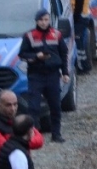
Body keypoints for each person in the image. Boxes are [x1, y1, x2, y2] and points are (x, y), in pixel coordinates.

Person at [19, 9, 70, 143]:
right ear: (36, 21)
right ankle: (34, 135)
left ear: (49, 20)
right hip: (36, 75)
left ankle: (56, 134)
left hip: (53, 75)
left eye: (46, 20)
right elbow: (22, 54)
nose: (43, 22)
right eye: (41, 20)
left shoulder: (57, 35)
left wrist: (65, 72)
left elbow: (64, 54)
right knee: (33, 107)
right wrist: (36, 56)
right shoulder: (29, 35)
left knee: (55, 106)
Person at [69, 0, 92, 74]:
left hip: (80, 19)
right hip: (82, 18)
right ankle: (84, 65)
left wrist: (74, 18)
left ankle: (82, 66)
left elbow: (78, 7)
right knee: (81, 42)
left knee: (79, 43)